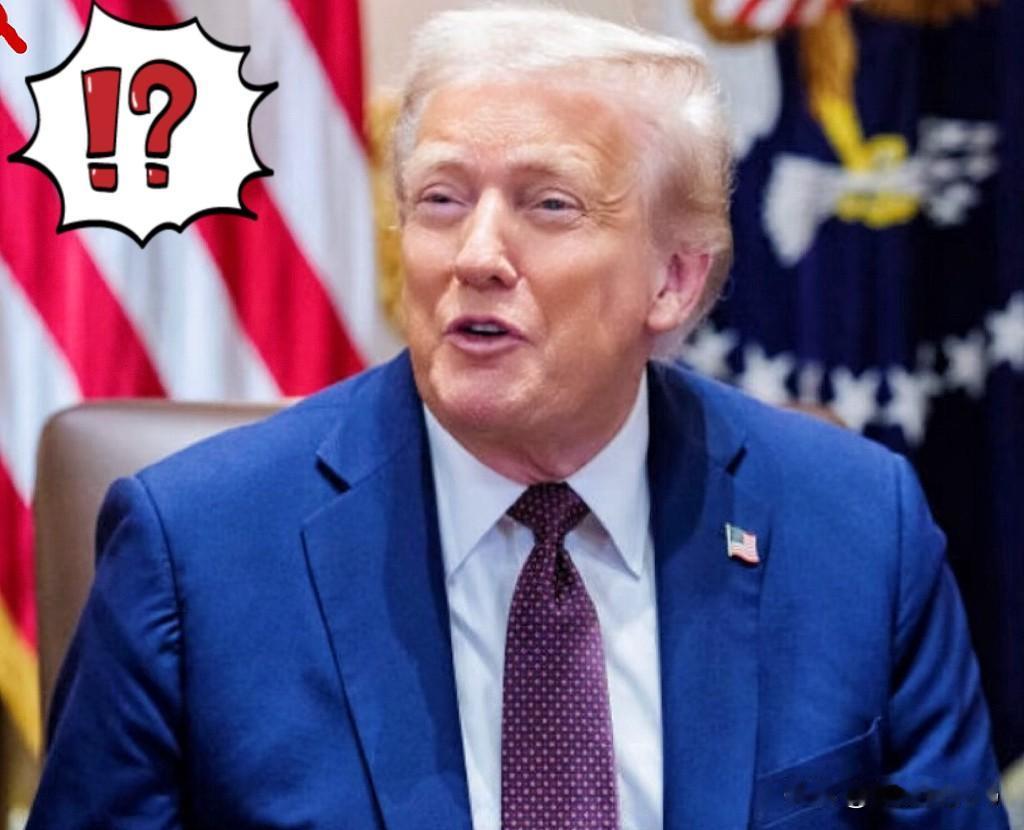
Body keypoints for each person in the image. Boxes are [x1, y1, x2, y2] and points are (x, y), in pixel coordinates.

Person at [27, 6, 1008, 829]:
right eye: (441, 200)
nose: (476, 255)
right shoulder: (197, 547)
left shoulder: (856, 528)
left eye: (549, 205)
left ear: (673, 279)